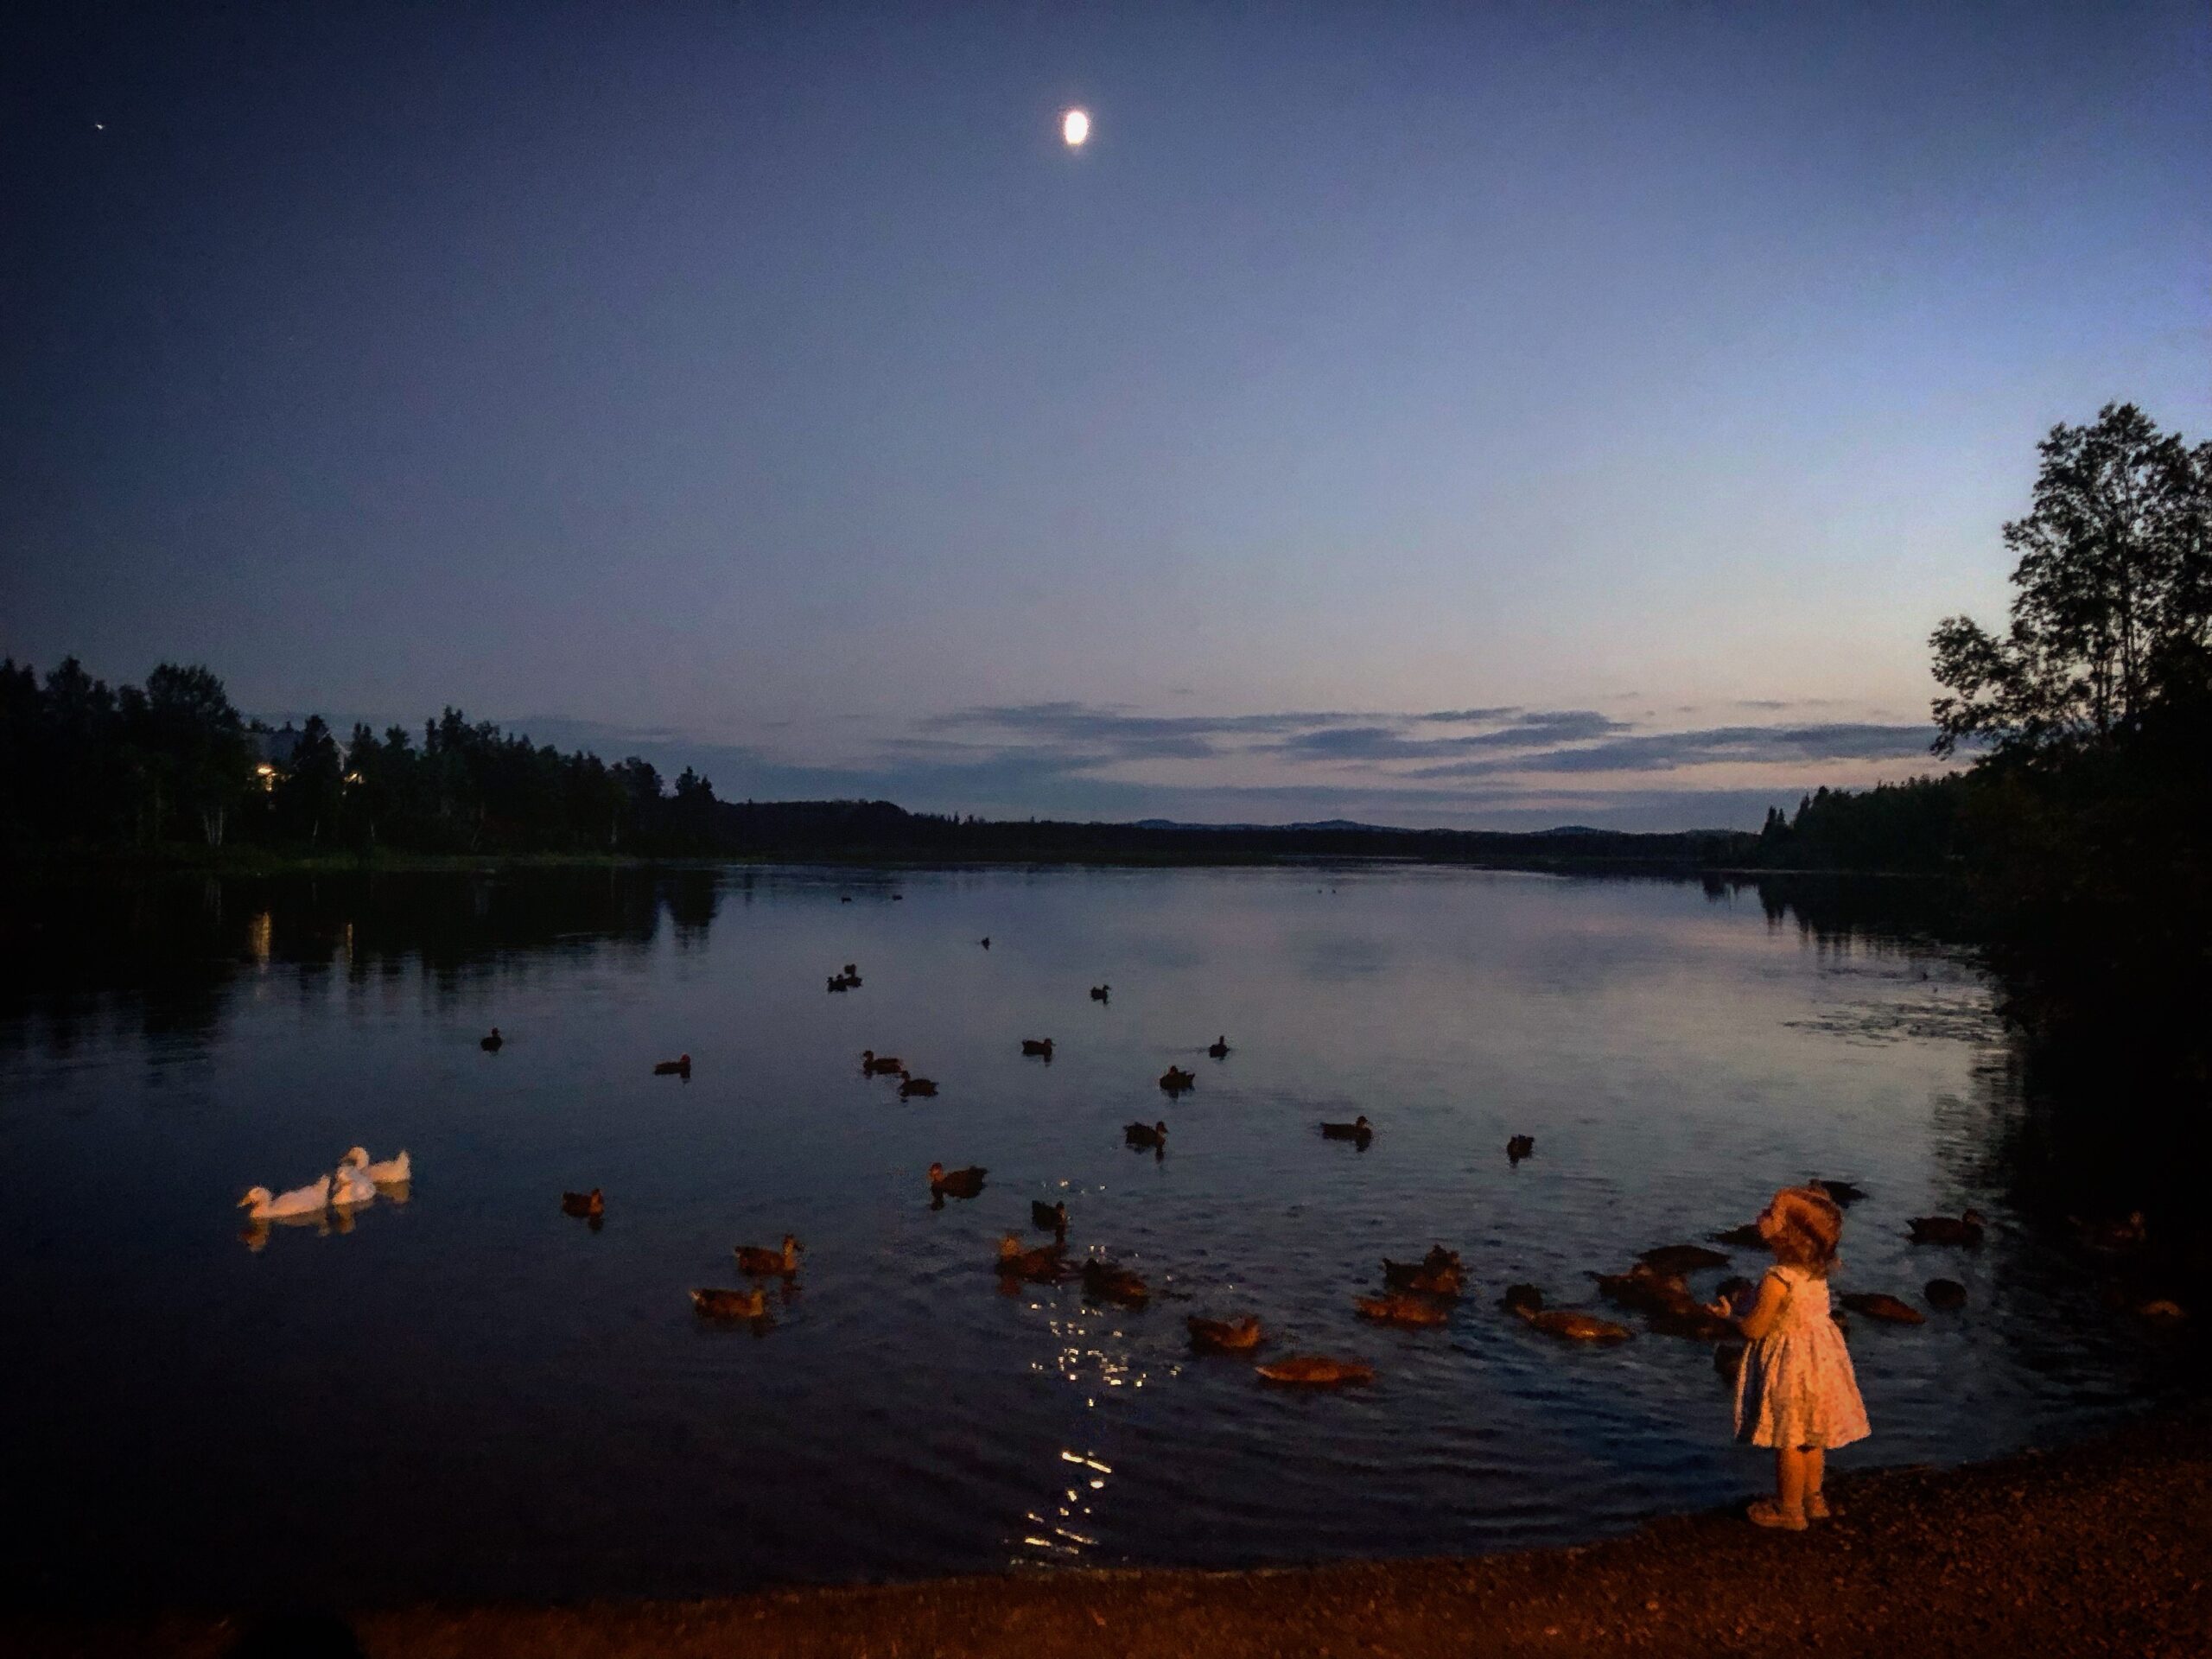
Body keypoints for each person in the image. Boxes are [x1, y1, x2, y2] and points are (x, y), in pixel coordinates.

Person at [1709, 1185, 1871, 1529]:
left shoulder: (1777, 1278)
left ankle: (1790, 1510)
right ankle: (1814, 1499)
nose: (1761, 1216)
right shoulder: (1815, 1275)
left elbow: (1755, 1329)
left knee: (1788, 1441)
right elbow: (1794, 1314)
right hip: (1822, 1363)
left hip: (1792, 1368)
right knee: (1811, 1438)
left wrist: (1729, 1317)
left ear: (1789, 1234)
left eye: (1770, 1213)